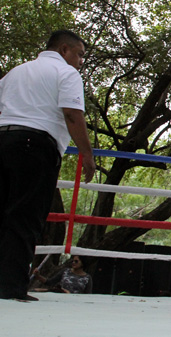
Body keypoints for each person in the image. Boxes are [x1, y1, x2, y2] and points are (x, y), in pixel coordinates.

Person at [0, 30, 96, 301]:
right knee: (24, 216)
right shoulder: (66, 74)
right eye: (79, 55)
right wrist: (87, 155)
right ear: (64, 50)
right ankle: (11, 288)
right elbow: (71, 113)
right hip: (35, 145)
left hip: (3, 139)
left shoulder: (16, 72)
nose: (80, 62)